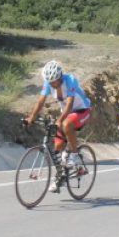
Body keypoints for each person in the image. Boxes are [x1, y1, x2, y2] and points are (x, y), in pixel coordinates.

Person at [25, 60, 92, 192]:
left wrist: (59, 120)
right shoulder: (49, 83)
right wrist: (31, 118)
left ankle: (73, 155)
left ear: (60, 77)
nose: (52, 84)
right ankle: (61, 176)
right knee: (58, 146)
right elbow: (40, 101)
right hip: (68, 113)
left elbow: (70, 104)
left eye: (54, 81)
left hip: (82, 110)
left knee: (67, 124)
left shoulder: (70, 80)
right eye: (49, 82)